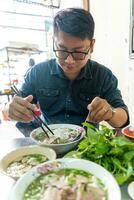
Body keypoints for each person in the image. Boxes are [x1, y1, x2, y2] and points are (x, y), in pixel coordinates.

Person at [5, 8, 129, 136]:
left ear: (91, 46)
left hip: (87, 146)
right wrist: (11, 108)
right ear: (54, 42)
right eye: (62, 50)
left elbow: (123, 118)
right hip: (48, 141)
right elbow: (18, 103)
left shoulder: (103, 76)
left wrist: (110, 113)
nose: (69, 61)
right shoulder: (37, 73)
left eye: (78, 52)